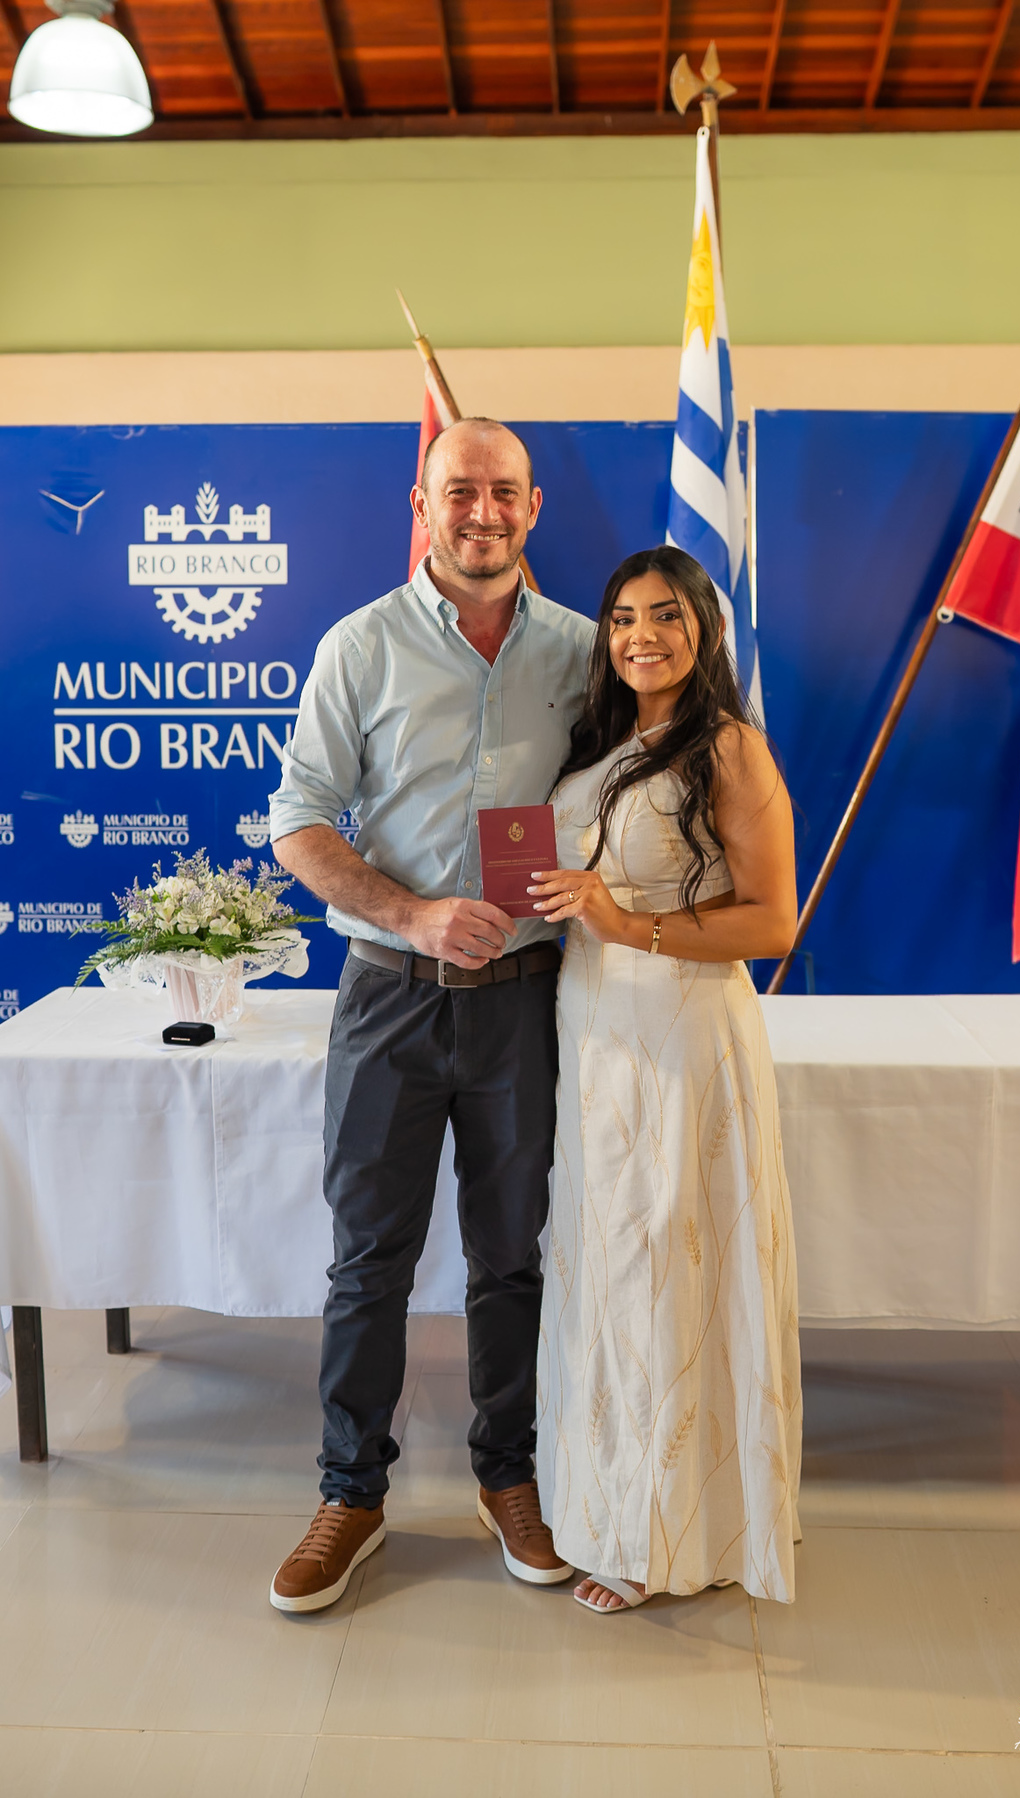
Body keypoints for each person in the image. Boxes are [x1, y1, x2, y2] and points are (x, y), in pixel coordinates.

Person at [266, 417, 593, 1612]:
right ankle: (350, 1495)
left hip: (526, 1005)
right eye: (460, 491)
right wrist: (410, 913)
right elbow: (298, 820)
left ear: (534, 506)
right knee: (369, 1261)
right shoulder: (359, 646)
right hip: (389, 1001)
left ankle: (509, 1479)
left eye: (504, 491)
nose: (483, 512)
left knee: (511, 1258)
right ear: (423, 504)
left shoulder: (586, 651)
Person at [530, 545, 803, 1612]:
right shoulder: (602, 743)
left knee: (666, 1264)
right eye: (622, 618)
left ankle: (663, 1537)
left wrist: (625, 922)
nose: (640, 634)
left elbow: (773, 923)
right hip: (593, 1034)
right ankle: (604, 1502)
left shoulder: (728, 747)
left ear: (704, 629)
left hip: (681, 1036)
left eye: (665, 616)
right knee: (607, 1267)